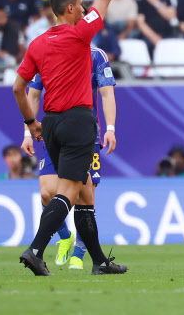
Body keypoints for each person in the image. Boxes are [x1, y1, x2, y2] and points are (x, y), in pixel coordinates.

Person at [13, 0, 135, 276]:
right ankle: (36, 250)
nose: (84, 8)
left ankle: (98, 262)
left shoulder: (36, 44)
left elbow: (19, 88)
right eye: (80, 5)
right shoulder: (81, 34)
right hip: (79, 120)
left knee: (84, 195)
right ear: (70, 9)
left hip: (49, 123)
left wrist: (30, 123)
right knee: (67, 193)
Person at [22, 45, 117, 270]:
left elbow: (106, 93)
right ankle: (65, 236)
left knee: (86, 194)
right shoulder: (47, 48)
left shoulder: (95, 55)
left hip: (85, 132)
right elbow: (32, 94)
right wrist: (27, 131)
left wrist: (110, 127)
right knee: (47, 191)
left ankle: (82, 253)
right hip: (55, 129)